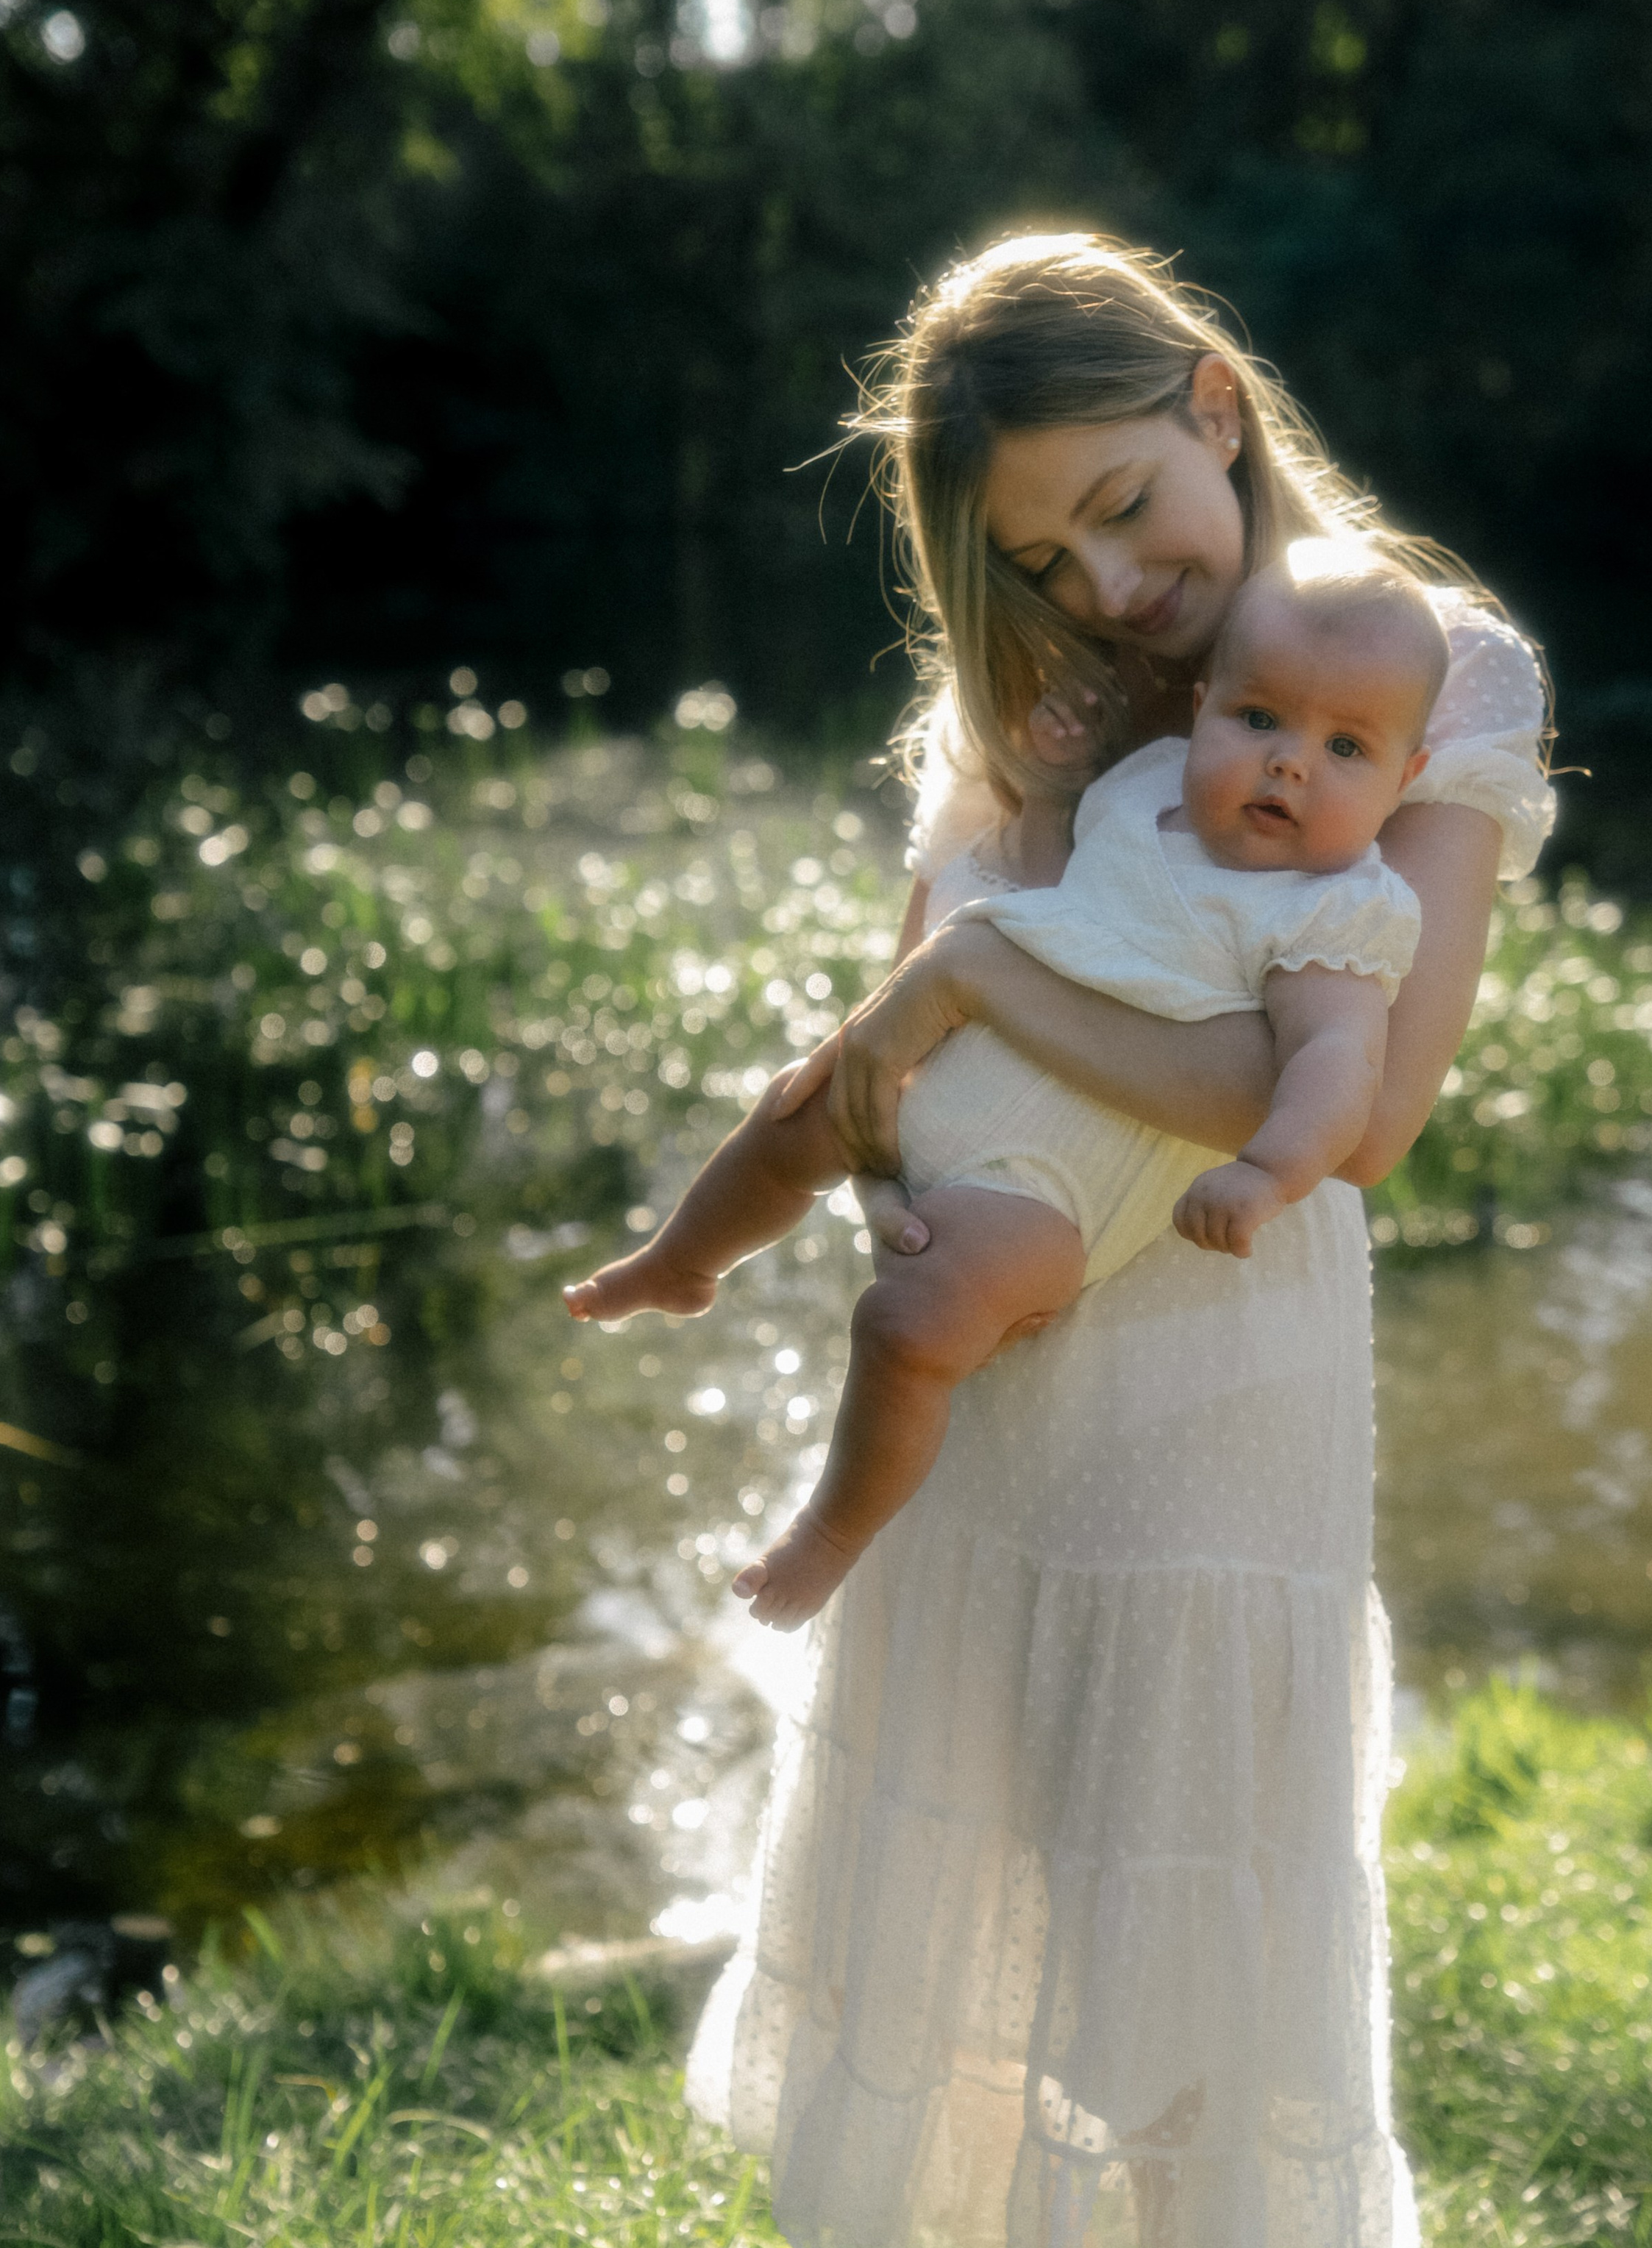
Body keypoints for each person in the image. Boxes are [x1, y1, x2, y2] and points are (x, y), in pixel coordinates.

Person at [683, 233, 1555, 2248]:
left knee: (1167, 1986)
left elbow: (1348, 1112)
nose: (1106, 585)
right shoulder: (1023, 709)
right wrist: (864, 1146)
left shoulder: (1426, 671)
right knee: (990, 1951)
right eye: (1043, 556)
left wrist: (984, 986)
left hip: (1212, 1391)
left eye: (1121, 507)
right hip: (991, 1384)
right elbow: (894, 1027)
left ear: (1212, 408)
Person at [570, 553, 1443, 1632]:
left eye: (1345, 747)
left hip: (1053, 1181)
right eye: (1260, 718)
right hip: (954, 1052)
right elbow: (1026, 843)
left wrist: (1267, 1171)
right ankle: (683, 1261)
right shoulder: (1144, 784)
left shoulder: (1338, 911)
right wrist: (1047, 752)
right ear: (1205, 703)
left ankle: (830, 1533)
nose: (1289, 766)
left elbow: (1334, 1065)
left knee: (910, 1326)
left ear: (1408, 779)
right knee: (795, 1111)